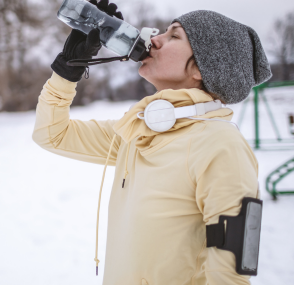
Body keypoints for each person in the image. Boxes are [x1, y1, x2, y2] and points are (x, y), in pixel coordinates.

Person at [32, 1, 272, 284]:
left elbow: (231, 274)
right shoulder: (138, 132)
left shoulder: (220, 145)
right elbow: (52, 134)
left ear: (200, 68)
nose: (154, 39)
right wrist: (66, 71)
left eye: (173, 36)